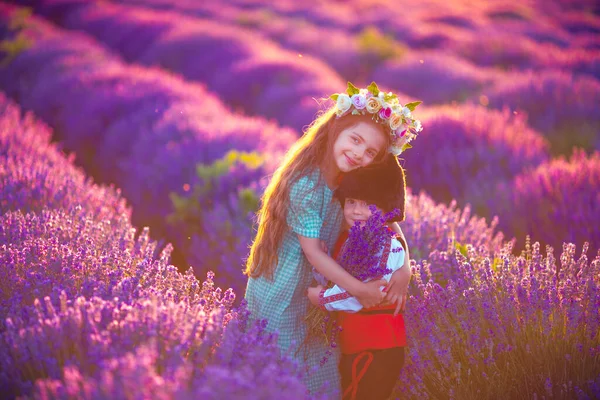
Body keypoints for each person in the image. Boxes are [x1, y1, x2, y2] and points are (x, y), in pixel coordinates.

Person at [244, 82, 421, 397]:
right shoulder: (306, 184)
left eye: (370, 153)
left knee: (322, 373)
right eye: (355, 140)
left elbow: (387, 222)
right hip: (284, 289)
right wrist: (359, 290)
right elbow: (313, 254)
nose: (358, 154)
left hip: (322, 292)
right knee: (282, 371)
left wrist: (405, 268)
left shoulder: (351, 182)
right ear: (336, 129)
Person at [307, 155, 409, 400]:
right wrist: (324, 261)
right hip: (359, 344)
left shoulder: (383, 244)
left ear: (386, 209)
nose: (356, 210)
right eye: (351, 201)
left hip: (377, 348)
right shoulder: (354, 238)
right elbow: (343, 278)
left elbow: (363, 295)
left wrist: (320, 297)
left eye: (368, 204)